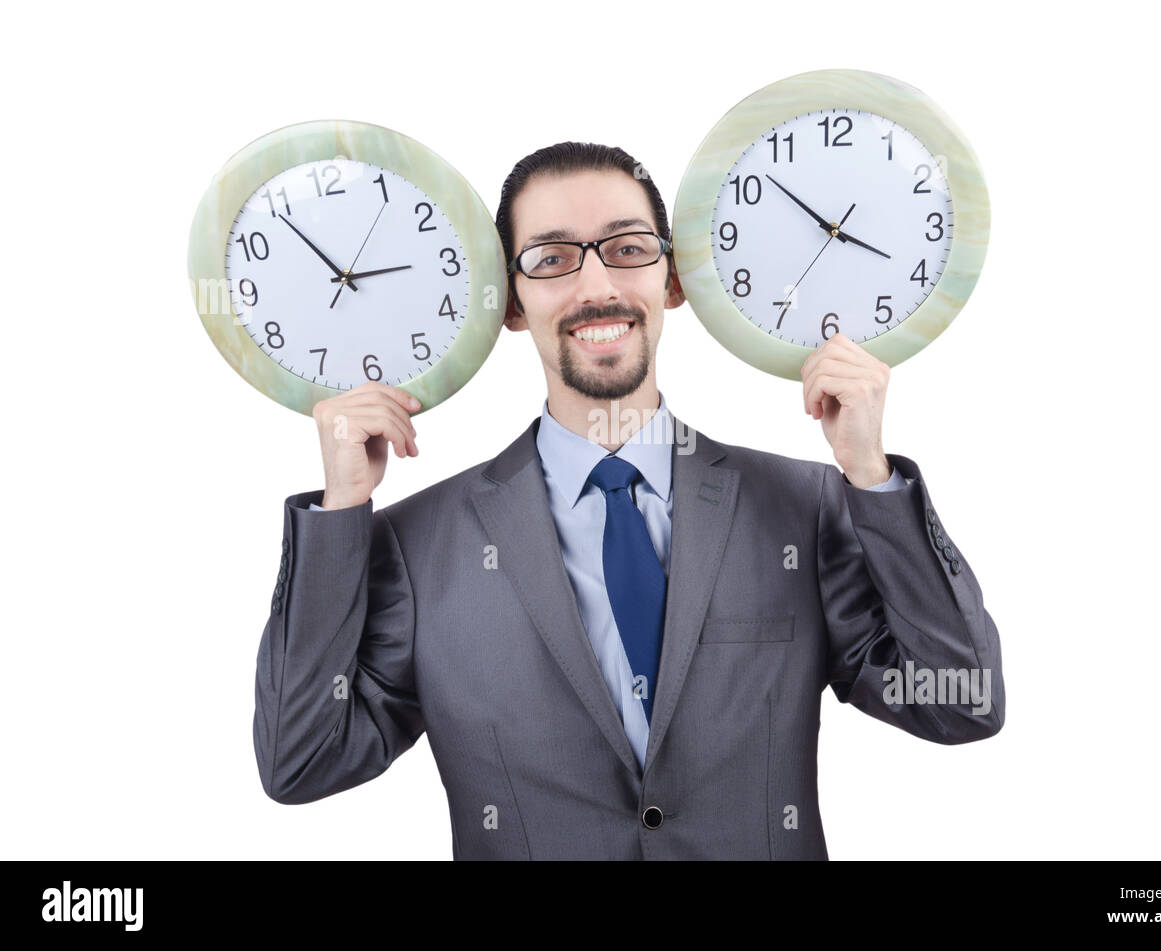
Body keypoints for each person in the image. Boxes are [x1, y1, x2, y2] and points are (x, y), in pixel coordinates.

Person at [252, 141, 1005, 860]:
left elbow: (961, 702)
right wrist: (343, 508)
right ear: (510, 303)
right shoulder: (420, 545)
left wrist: (870, 476)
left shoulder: (799, 507)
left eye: (628, 248)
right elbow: (303, 759)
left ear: (674, 281)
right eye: (551, 259)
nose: (596, 287)